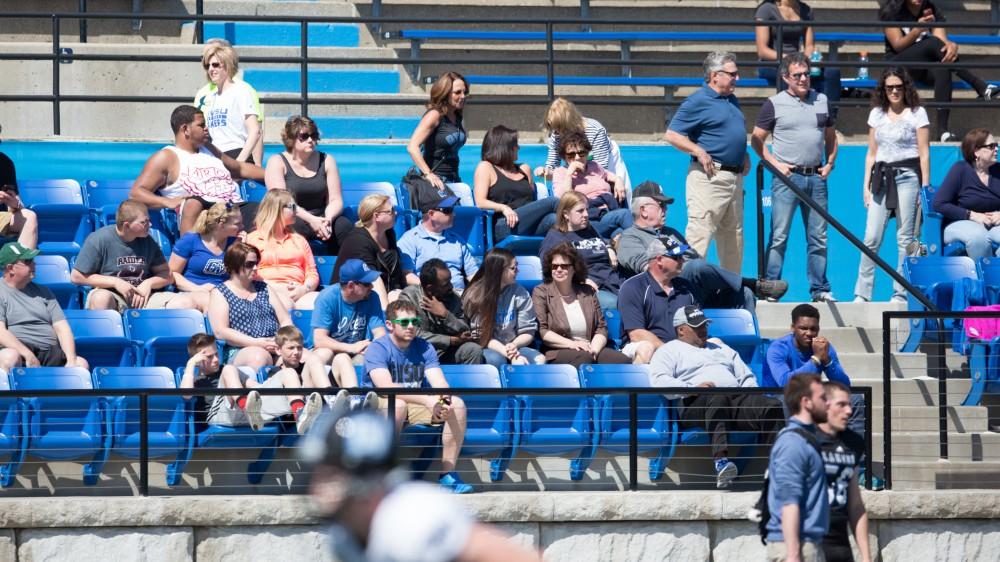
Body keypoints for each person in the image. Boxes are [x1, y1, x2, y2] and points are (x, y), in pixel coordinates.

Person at [300, 410, 544, 562]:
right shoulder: (345, 535)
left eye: (328, 476)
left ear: (364, 479)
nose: (316, 488)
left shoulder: (416, 516)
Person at [649, 305, 783, 488]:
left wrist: (751, 396)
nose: (703, 330)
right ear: (681, 330)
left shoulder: (721, 347)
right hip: (695, 404)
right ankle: (721, 462)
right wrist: (691, 388)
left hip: (734, 401)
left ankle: (781, 466)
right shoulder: (669, 350)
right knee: (717, 396)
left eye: (705, 325)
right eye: (697, 327)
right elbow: (659, 380)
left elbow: (746, 376)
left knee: (771, 405)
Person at [751, 52, 839, 303]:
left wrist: (830, 163)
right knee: (779, 235)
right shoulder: (774, 103)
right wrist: (775, 163)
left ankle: (820, 289)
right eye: (797, 75)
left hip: (816, 177)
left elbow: (831, 135)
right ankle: (771, 288)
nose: (803, 79)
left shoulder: (821, 100)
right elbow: (756, 139)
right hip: (787, 180)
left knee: (819, 237)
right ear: (785, 77)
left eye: (806, 74)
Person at [616, 181, 783, 312]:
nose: (666, 210)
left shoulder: (671, 233)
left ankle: (748, 351)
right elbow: (648, 269)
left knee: (742, 294)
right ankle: (753, 284)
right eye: (661, 205)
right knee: (695, 266)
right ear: (643, 210)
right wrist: (679, 263)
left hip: (692, 289)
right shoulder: (629, 237)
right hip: (661, 293)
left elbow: (692, 256)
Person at [363, 299, 472, 494]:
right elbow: (386, 387)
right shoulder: (377, 348)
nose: (411, 327)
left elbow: (439, 382)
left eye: (415, 322)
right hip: (381, 403)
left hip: (415, 403)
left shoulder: (424, 347)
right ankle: (385, 474)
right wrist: (428, 401)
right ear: (389, 325)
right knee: (397, 406)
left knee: (457, 405)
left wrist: (444, 403)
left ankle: (447, 475)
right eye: (404, 322)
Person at [665, 51, 750, 274]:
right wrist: (697, 150)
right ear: (715, 75)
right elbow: (673, 134)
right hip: (709, 177)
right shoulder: (697, 100)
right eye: (732, 74)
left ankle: (730, 292)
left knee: (734, 238)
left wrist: (744, 154)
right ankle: (687, 290)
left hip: (734, 177)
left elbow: (730, 132)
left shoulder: (731, 100)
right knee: (700, 234)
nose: (737, 78)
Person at [854, 67, 930, 304]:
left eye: (899, 86)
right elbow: (871, 153)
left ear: (905, 88)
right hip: (881, 177)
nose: (895, 91)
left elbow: (924, 153)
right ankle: (862, 293)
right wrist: (865, 185)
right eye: (890, 87)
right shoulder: (877, 114)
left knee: (906, 238)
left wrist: (924, 189)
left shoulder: (917, 113)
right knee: (871, 237)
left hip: (908, 175)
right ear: (883, 90)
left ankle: (900, 292)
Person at [129, 104, 263, 234]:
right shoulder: (166, 157)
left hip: (234, 207)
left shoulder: (210, 149)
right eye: (201, 125)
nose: (206, 128)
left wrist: (278, 175)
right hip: (205, 213)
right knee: (194, 203)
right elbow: (136, 193)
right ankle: (189, 253)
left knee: (269, 210)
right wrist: (168, 202)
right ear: (185, 129)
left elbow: (239, 168)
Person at [879, 0, 999, 142]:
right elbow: (897, 45)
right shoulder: (892, 11)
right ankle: (980, 86)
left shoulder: (931, 9)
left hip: (921, 68)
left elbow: (942, 43)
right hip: (897, 67)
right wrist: (918, 29)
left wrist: (951, 46)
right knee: (932, 42)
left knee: (943, 68)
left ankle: (942, 131)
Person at [180, 332, 324, 435]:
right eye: (209, 357)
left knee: (288, 373)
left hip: (249, 414)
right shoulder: (193, 378)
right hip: (219, 416)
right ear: (197, 358)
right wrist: (191, 364)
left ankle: (299, 413)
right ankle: (246, 408)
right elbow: (186, 396)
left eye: (216, 354)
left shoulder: (228, 370)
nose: (216, 359)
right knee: (229, 369)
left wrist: (274, 385)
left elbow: (257, 387)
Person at [763, 303, 865, 433]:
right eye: (803, 328)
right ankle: (798, 446)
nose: (809, 333)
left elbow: (844, 384)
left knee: (855, 398)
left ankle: (854, 450)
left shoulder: (823, 347)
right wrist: (816, 359)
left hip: (812, 395)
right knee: (789, 401)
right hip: (780, 397)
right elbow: (786, 382)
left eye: (813, 329)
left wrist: (827, 360)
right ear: (793, 328)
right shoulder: (778, 348)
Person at [263, 115, 353, 255]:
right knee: (294, 227)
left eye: (314, 135)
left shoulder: (327, 160)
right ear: (291, 138)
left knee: (344, 226)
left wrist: (327, 220)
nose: (310, 140)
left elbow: (336, 200)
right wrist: (311, 220)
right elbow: (282, 202)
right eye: (304, 136)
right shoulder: (277, 162)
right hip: (293, 215)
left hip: (322, 215)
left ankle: (345, 271)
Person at [765, 373, 830, 562]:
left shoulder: (807, 438)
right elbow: (789, 502)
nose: (828, 403)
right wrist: (794, 555)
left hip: (809, 543)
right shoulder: (793, 443)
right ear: (806, 401)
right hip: (796, 547)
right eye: (822, 398)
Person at [532, 243, 631, 367]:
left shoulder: (587, 291)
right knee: (584, 358)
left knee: (623, 361)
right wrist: (572, 344)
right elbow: (543, 331)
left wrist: (594, 349)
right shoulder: (541, 292)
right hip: (560, 349)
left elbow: (601, 327)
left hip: (590, 347)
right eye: (554, 266)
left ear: (574, 268)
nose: (558, 270)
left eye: (564, 266)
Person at [70, 200, 177, 311]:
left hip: (143, 297)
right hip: (113, 295)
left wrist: (148, 283)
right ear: (127, 225)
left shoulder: (148, 241)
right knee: (100, 299)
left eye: (149, 220)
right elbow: (76, 276)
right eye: (144, 222)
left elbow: (167, 275)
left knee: (184, 302)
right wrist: (116, 282)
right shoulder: (99, 239)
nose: (150, 225)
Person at [0, 242, 88, 370]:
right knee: (9, 357)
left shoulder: (44, 291)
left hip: (51, 352)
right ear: (11, 268)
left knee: (81, 365)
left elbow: (61, 327)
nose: (34, 264)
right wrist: (27, 354)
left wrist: (71, 359)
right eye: (28, 261)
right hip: (21, 351)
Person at [206, 242, 290, 370]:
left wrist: (283, 342)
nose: (255, 268)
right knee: (259, 357)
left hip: (275, 346)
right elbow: (221, 332)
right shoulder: (219, 292)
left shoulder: (264, 287)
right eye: (250, 264)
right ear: (234, 266)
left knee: (307, 358)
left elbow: (285, 320)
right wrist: (258, 343)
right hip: (241, 349)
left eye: (256, 263)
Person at [754, 0, 841, 118]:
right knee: (789, 76)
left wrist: (806, 59)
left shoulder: (806, 10)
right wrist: (792, 60)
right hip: (772, 63)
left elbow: (809, 46)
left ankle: (829, 121)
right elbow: (762, 50)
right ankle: (793, 118)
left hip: (798, 63)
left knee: (832, 72)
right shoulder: (766, 9)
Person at [617, 237, 697, 364]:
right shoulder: (633, 286)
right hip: (644, 347)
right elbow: (636, 334)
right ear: (659, 260)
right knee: (646, 348)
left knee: (717, 344)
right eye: (676, 257)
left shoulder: (687, 287)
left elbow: (697, 324)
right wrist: (670, 352)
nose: (683, 260)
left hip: (683, 349)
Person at [331, 194, 418, 310]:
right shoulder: (357, 240)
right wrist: (385, 312)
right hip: (355, 297)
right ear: (376, 216)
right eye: (391, 211)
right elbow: (373, 280)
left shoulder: (389, 233)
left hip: (384, 293)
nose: (396, 213)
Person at [539, 191, 623, 311]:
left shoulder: (589, 229)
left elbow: (602, 243)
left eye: (587, 210)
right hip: (586, 288)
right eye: (580, 211)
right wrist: (580, 281)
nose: (586, 214)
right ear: (566, 214)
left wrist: (609, 248)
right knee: (616, 304)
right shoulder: (555, 238)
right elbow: (550, 273)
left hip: (612, 281)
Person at [462, 248, 544, 370]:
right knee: (496, 360)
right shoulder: (475, 295)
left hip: (515, 345)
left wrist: (514, 345)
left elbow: (528, 330)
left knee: (539, 359)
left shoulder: (520, 292)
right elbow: (481, 336)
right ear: (499, 271)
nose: (518, 271)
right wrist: (511, 355)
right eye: (513, 268)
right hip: (488, 346)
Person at [312, 259, 387, 391]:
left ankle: (359, 401)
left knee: (373, 355)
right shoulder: (327, 298)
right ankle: (324, 397)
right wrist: (350, 347)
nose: (372, 287)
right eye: (366, 283)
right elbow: (319, 340)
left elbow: (380, 333)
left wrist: (373, 346)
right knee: (324, 353)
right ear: (351, 285)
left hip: (357, 353)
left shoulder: (372, 297)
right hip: (331, 354)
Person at [473, 125, 558, 241]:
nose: (519, 147)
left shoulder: (524, 169)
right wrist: (504, 208)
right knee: (552, 201)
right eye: (515, 145)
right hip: (504, 224)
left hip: (529, 224)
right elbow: (480, 202)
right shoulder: (486, 167)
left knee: (554, 219)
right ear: (504, 148)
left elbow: (531, 203)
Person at [818, 382, 872, 562]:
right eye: (841, 404)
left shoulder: (853, 442)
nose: (849, 411)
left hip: (838, 544)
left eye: (849, 404)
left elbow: (855, 504)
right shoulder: (801, 440)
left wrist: (866, 557)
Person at [399, 259, 484, 365]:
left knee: (473, 350)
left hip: (445, 353)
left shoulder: (453, 298)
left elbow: (465, 330)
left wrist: (445, 315)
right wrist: (450, 340)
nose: (451, 287)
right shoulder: (409, 297)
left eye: (450, 281)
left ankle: (470, 381)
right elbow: (412, 334)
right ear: (430, 289)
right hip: (418, 354)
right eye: (445, 284)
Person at [245, 189, 320, 310]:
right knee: (285, 304)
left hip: (299, 292)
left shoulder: (299, 240)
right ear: (277, 209)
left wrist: (304, 289)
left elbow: (311, 272)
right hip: (265, 291)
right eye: (292, 207)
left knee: (323, 303)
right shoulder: (252, 240)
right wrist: (276, 288)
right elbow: (248, 273)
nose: (296, 210)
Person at [931, 128, 1000, 259]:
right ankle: (986, 277)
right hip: (961, 222)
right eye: (991, 146)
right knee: (979, 238)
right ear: (976, 151)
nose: (996, 149)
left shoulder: (998, 171)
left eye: (996, 145)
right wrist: (973, 216)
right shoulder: (960, 169)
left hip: (993, 224)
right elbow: (939, 204)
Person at [550, 132, 632, 240]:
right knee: (624, 214)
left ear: (587, 153)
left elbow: (610, 175)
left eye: (581, 153)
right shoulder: (561, 172)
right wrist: (569, 174)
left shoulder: (594, 166)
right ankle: (649, 241)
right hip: (588, 219)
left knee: (620, 235)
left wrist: (618, 180)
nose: (577, 157)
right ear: (564, 157)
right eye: (571, 155)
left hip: (608, 214)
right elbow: (563, 199)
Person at [194, 38, 264, 165]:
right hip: (215, 155)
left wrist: (239, 162)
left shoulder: (241, 91)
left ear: (227, 65)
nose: (210, 69)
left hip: (236, 153)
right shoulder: (212, 96)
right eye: (207, 65)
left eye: (215, 65)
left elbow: (255, 131)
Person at [398, 191, 480, 293]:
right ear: (431, 214)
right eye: (448, 210)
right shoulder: (409, 240)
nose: (453, 214)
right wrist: (435, 289)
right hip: (428, 295)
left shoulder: (457, 240)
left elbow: (472, 273)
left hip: (458, 294)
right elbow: (407, 275)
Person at [166, 201, 241, 312]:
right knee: (211, 303)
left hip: (223, 294)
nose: (242, 227)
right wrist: (199, 289)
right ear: (221, 224)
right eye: (237, 224)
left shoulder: (235, 244)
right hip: (192, 292)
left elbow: (241, 278)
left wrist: (243, 251)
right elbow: (172, 273)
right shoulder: (191, 240)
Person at [407, 71, 468, 188]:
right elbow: (412, 147)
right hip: (436, 182)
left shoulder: (457, 116)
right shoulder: (434, 115)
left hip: (454, 179)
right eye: (457, 92)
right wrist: (428, 174)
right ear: (445, 93)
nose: (463, 96)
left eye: (465, 92)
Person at [535, 97, 614, 178]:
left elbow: (602, 169)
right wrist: (546, 172)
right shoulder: (556, 135)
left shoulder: (595, 130)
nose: (556, 133)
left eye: (559, 127)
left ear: (569, 122)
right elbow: (552, 166)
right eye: (553, 127)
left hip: (608, 167)